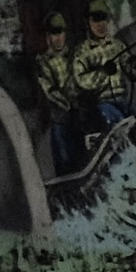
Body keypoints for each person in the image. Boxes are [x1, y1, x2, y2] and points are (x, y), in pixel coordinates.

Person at [73, 0, 136, 133]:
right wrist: (103, 73)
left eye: (103, 18)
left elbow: (131, 73)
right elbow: (81, 80)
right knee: (122, 128)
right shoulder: (82, 52)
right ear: (87, 22)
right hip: (101, 106)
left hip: (123, 101)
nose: (100, 24)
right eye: (95, 20)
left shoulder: (117, 45)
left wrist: (133, 66)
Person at [34, 12, 79, 176]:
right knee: (64, 162)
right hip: (60, 118)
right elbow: (49, 89)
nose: (58, 38)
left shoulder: (75, 55)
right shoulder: (43, 61)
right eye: (54, 34)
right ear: (48, 37)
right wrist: (67, 102)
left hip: (80, 116)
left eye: (61, 32)